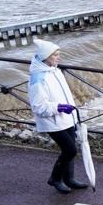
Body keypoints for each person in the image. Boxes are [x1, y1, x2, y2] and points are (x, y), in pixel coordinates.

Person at [28, 38, 87, 194]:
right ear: (44, 57)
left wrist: (70, 112)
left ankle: (69, 179)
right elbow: (38, 106)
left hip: (65, 118)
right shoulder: (38, 78)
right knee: (70, 150)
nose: (58, 58)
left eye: (58, 54)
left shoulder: (55, 70)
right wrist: (59, 107)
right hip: (52, 121)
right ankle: (55, 179)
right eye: (55, 55)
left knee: (70, 148)